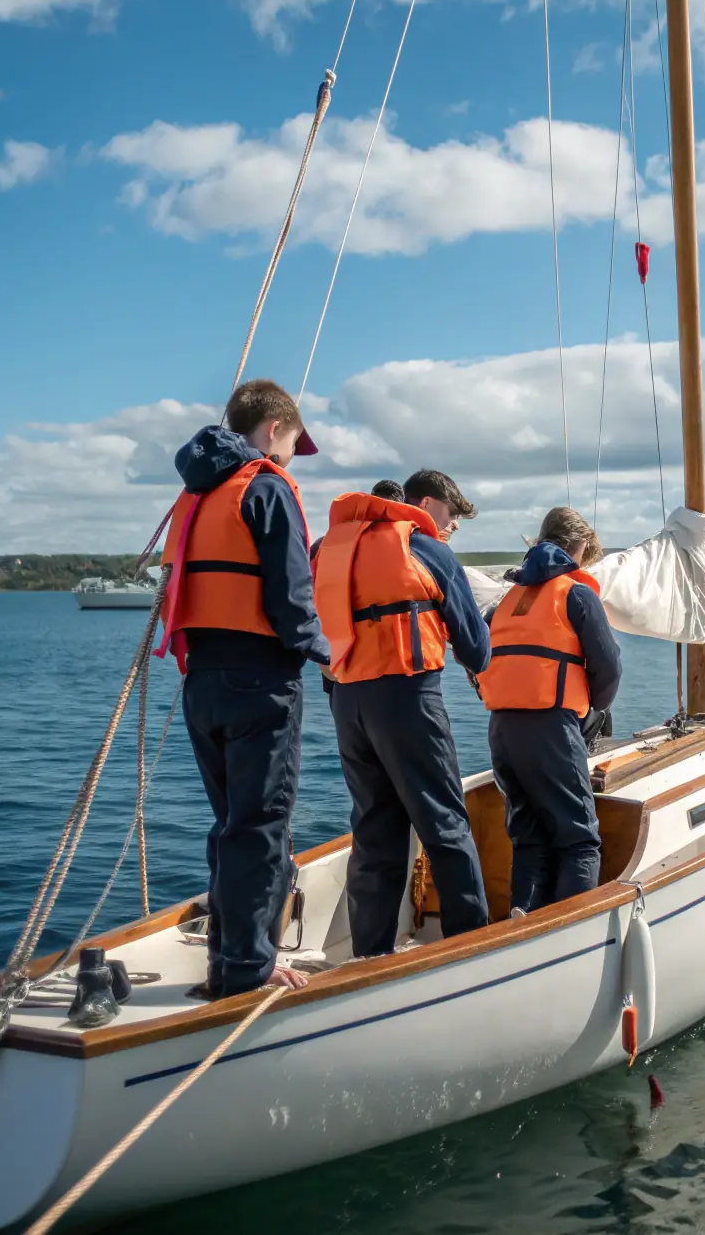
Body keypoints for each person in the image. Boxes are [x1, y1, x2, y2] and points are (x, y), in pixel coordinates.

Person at [158, 378, 329, 998]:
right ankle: (249, 975)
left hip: (202, 681)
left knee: (233, 825)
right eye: (290, 443)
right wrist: (327, 658)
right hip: (260, 681)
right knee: (259, 830)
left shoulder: (197, 494)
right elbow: (290, 598)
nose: (288, 457)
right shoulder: (265, 486)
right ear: (273, 429)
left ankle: (226, 965)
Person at [313, 470, 490, 957]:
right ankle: (469, 946)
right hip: (409, 699)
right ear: (429, 505)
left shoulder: (326, 550)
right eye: (451, 517)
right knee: (444, 824)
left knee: (374, 830)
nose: (450, 528)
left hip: (347, 704)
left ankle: (370, 955)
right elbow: (476, 649)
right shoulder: (428, 550)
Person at [477, 507, 622, 914]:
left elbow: (482, 660)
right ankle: (568, 936)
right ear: (579, 547)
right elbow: (608, 667)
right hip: (552, 729)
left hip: (502, 729)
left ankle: (523, 921)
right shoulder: (576, 594)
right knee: (579, 841)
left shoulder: (507, 600)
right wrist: (594, 711)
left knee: (529, 838)